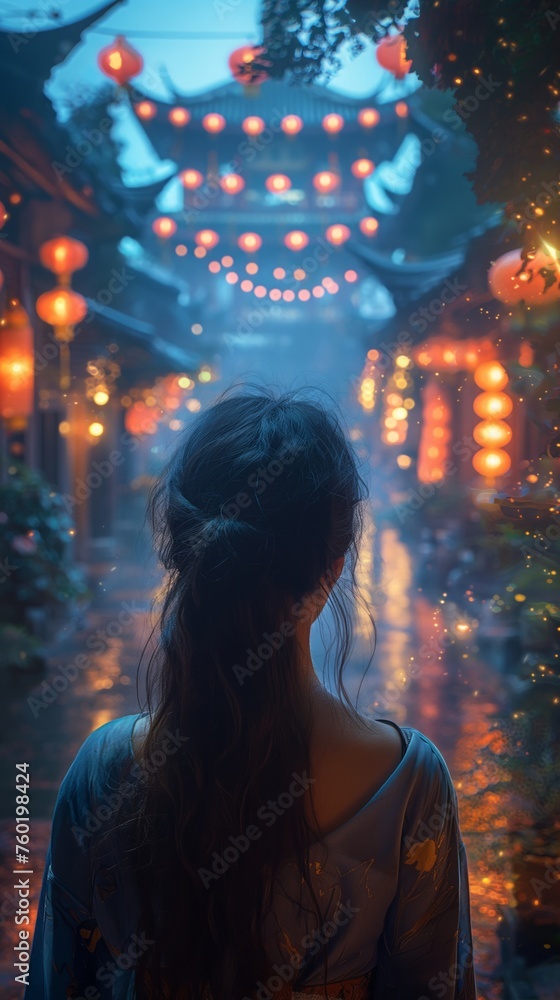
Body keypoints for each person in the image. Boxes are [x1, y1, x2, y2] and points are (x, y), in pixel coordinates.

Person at [26, 387, 476, 1000]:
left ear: (178, 552)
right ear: (335, 563)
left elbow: (58, 984)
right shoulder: (408, 782)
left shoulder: (104, 770)